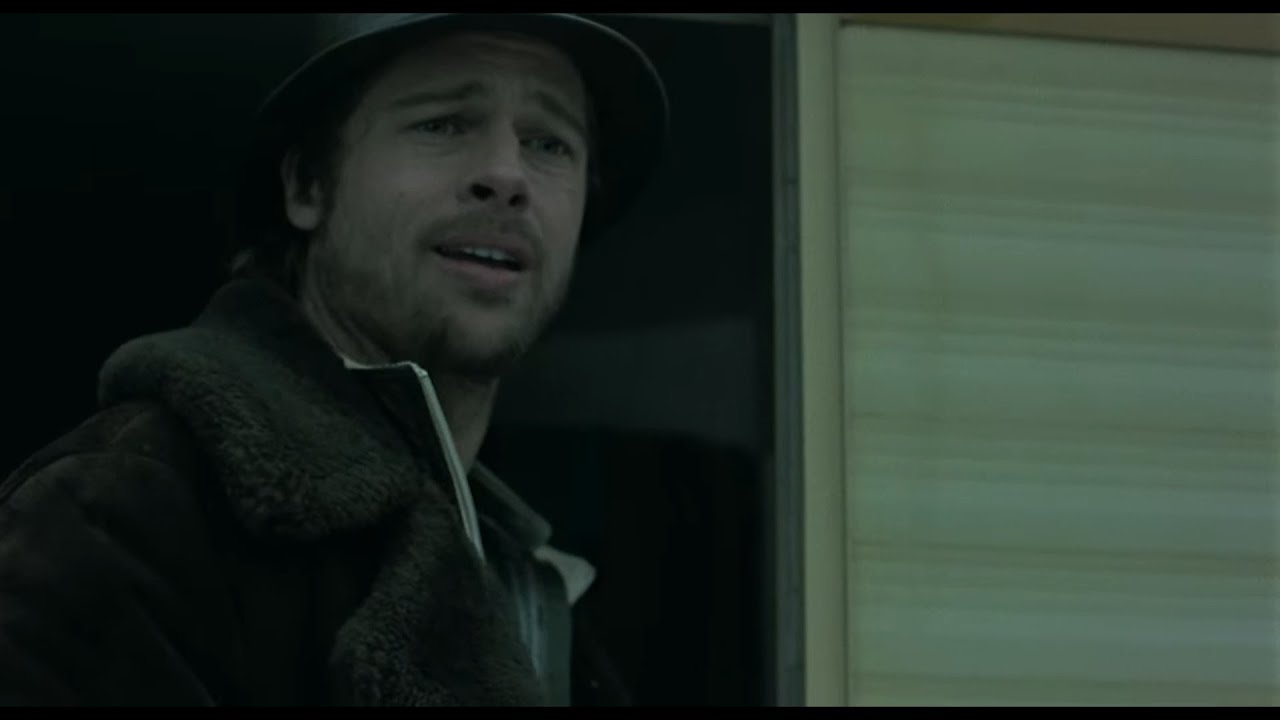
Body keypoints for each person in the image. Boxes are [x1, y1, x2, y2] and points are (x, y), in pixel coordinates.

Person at [0, 13, 668, 706]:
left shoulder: (534, 585)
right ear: (307, 187)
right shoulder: (123, 512)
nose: (506, 175)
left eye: (549, 143)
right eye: (443, 123)